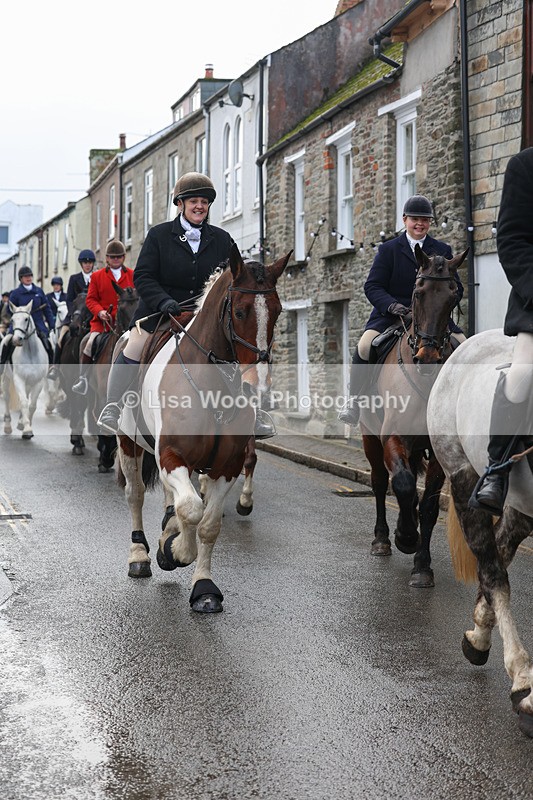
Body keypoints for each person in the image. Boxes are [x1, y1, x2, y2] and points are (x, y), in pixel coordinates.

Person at [96, 171, 276, 439]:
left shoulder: (222, 239)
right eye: (193, 201)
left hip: (207, 318)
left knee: (244, 349)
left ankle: (255, 412)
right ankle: (112, 406)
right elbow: (143, 277)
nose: (199, 206)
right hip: (161, 314)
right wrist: (163, 301)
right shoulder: (158, 236)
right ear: (180, 204)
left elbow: (236, 276)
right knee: (133, 345)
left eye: (204, 202)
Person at [338, 194, 466, 426]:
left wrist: (442, 305)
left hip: (433, 319)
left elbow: (456, 288)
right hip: (392, 316)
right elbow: (372, 286)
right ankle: (354, 401)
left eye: (425, 220)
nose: (420, 224)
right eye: (415, 219)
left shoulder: (442, 249)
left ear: (430, 223)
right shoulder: (389, 250)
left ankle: (464, 404)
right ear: (405, 219)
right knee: (365, 346)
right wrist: (391, 305)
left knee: (464, 345)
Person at [469, 148, 533, 514]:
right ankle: (497, 469)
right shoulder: (524, 166)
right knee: (522, 375)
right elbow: (512, 242)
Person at [71, 240, 135, 395]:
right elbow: (90, 300)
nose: (116, 259)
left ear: (124, 257)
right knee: (88, 343)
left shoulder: (132, 275)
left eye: (119, 256)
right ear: (107, 258)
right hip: (103, 324)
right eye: (112, 257)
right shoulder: (97, 276)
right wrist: (100, 312)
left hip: (127, 322)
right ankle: (83, 379)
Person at [48, 249, 96, 379]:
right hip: (75, 315)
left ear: (92, 264)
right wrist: (74, 314)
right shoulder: (74, 279)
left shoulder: (97, 277)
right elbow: (69, 299)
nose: (87, 265)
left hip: (92, 315)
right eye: (85, 263)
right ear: (81, 264)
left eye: (90, 263)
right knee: (61, 337)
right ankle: (55, 367)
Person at [0, 266, 55, 366]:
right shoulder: (15, 293)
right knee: (6, 342)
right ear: (21, 279)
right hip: (19, 325)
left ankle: (52, 367)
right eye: (25, 276)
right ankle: (2, 366)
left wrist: (52, 325)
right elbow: (9, 310)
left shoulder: (39, 291)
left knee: (48, 344)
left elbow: (47, 309)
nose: (28, 278)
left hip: (38, 325)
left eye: (30, 276)